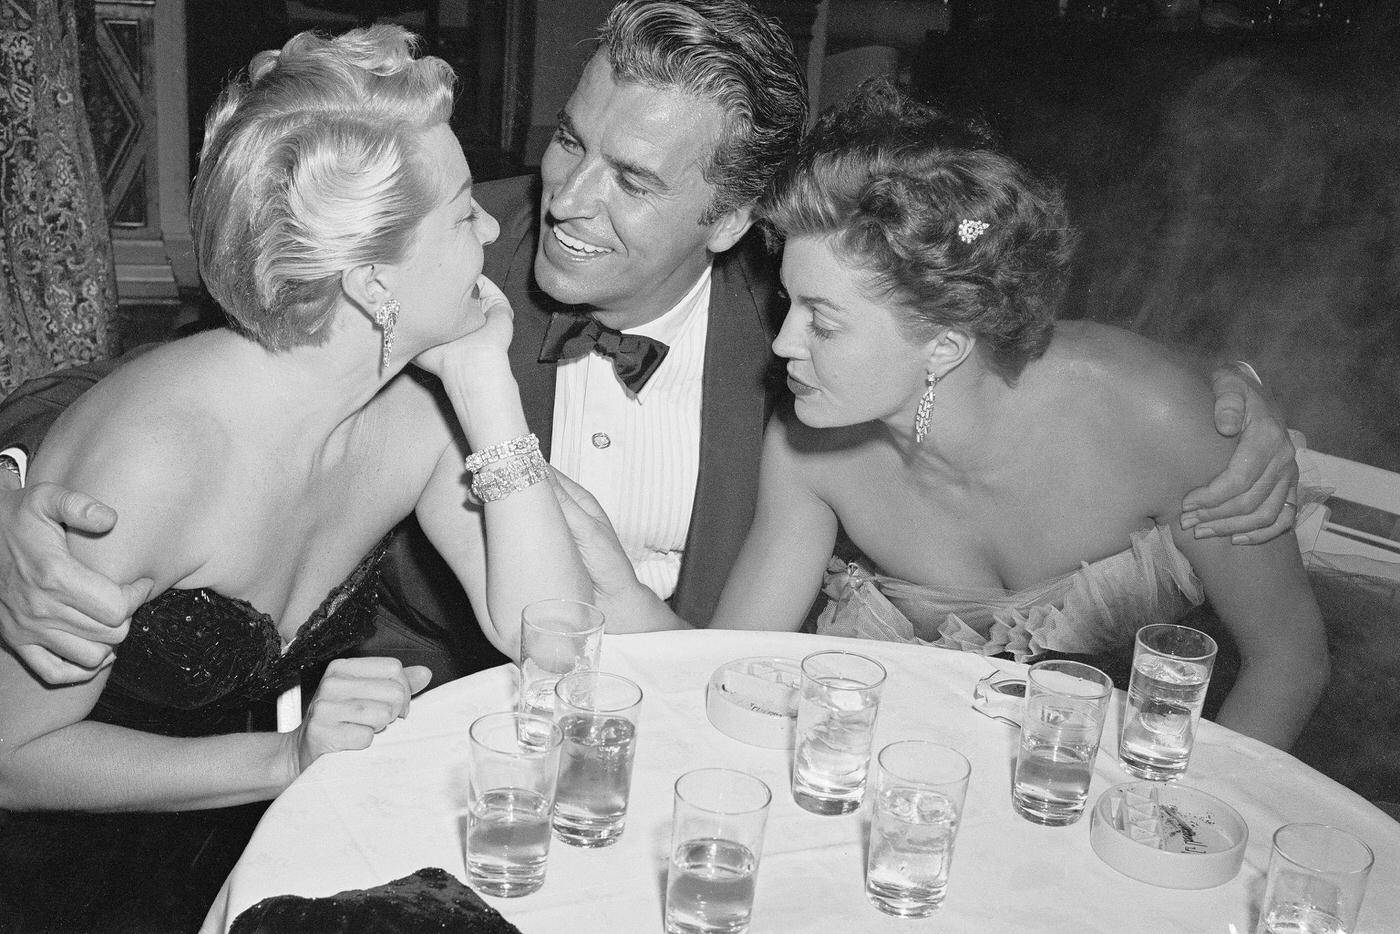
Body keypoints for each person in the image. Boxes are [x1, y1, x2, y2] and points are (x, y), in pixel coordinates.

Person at [0, 0, 1295, 690]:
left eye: (630, 177)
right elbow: (211, 370)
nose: (563, 198)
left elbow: (996, 333)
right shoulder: (443, 257)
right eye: (569, 138)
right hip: (445, 722)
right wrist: (21, 494)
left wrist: (1243, 416)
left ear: (730, 214)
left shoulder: (801, 340)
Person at [0, 26, 590, 933]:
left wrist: (488, 391)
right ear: (368, 283)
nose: (491, 228)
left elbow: (548, 639)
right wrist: (282, 760)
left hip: (255, 840)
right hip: (69, 874)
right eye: (464, 207)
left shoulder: (415, 413)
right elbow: (13, 760)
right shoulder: (156, 461)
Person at [555, 81, 1327, 751]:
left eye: (823, 321)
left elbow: (1288, 661)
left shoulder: (1156, 416)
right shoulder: (807, 448)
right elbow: (732, 674)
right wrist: (625, 599)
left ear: (946, 343)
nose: (783, 343)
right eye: (788, 303)